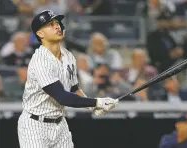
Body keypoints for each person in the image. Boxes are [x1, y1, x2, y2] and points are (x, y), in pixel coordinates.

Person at [17, 10, 118, 148]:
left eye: (57, 22)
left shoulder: (68, 56)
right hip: (35, 125)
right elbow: (62, 97)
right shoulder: (40, 60)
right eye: (50, 24)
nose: (57, 26)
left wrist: (91, 107)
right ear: (40, 34)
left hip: (60, 123)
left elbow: (74, 88)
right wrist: (96, 102)